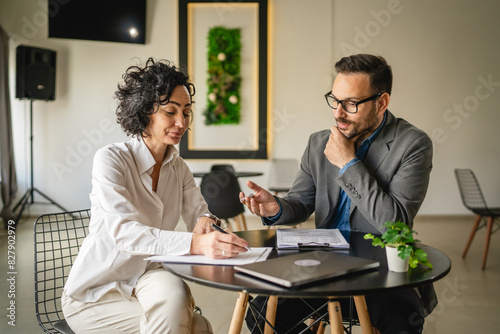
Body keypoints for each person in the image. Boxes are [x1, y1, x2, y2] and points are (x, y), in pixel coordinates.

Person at [240, 54, 437, 334]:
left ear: (382, 103)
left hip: (380, 269)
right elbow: (301, 203)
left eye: (351, 104)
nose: (338, 113)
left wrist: (348, 163)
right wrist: (276, 208)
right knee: (262, 315)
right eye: (335, 100)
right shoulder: (319, 142)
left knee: (403, 322)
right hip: (322, 267)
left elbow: (397, 226)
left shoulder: (413, 144)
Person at [61, 58, 249, 334]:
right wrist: (197, 243)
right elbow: (125, 233)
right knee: (197, 326)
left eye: (186, 112)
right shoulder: (111, 160)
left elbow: (200, 211)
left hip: (147, 278)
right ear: (144, 111)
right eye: (170, 112)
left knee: (176, 293)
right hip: (96, 292)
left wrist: (206, 221)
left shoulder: (179, 167)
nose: (181, 122)